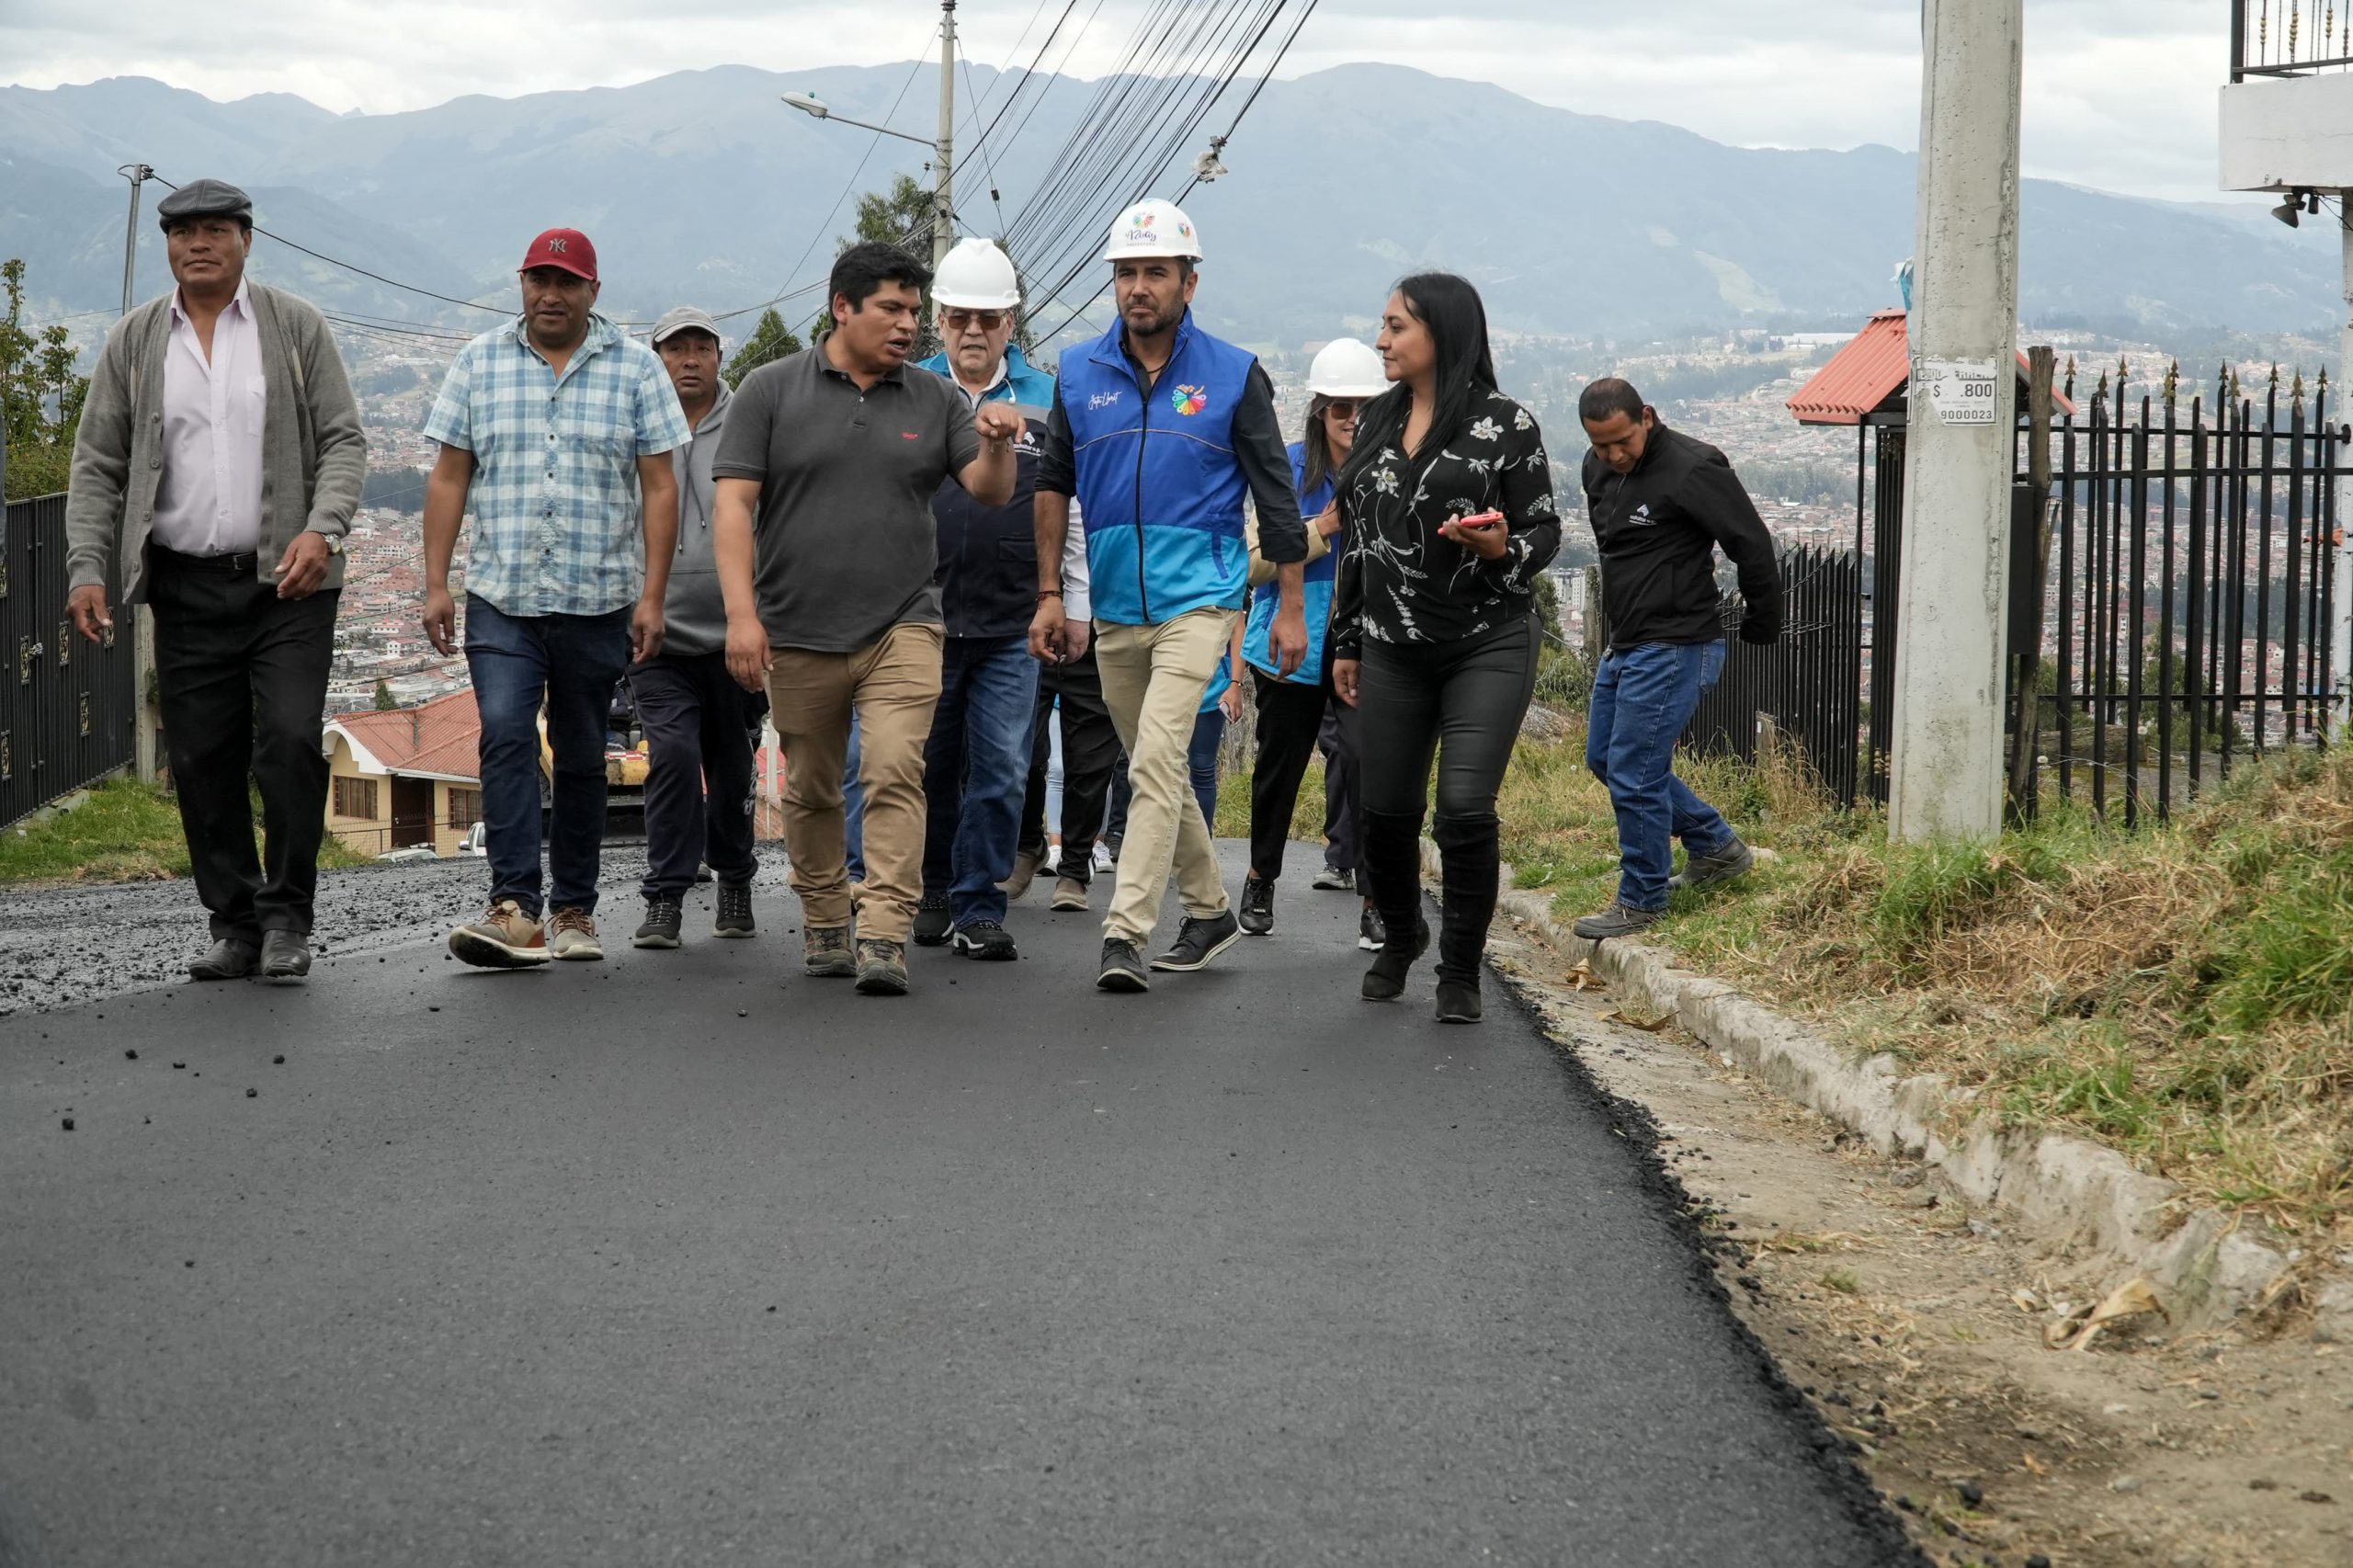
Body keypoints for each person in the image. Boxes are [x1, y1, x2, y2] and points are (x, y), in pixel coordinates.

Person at [63, 177, 365, 983]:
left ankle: (288, 916)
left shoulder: (293, 326)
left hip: (289, 584)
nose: (198, 243)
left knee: (291, 740)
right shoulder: (136, 340)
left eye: (215, 230)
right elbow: (96, 464)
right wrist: (88, 567)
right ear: (167, 245)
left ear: (246, 241)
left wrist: (323, 528)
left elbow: (343, 439)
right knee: (202, 760)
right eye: (183, 231)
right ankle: (235, 923)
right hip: (186, 586)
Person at [713, 242, 1021, 997]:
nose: (910, 324)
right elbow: (733, 507)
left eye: (915, 311)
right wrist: (742, 617)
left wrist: (998, 445)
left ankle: (884, 932)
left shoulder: (935, 399)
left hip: (905, 622)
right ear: (842, 307)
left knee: (891, 770)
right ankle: (826, 919)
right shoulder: (769, 390)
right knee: (814, 787)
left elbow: (988, 491)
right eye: (893, 308)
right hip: (798, 629)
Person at [1031, 199, 1311, 994]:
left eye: (1156, 272)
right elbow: (1053, 485)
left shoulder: (1234, 373)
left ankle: (1125, 931)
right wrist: (1050, 593)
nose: (1138, 287)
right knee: (1157, 768)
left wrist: (1290, 608)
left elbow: (1277, 499)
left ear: (1190, 283)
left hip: (1202, 602)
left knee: (1155, 758)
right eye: (1126, 272)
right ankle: (1212, 910)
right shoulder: (1078, 373)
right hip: (1115, 609)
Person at [422, 227, 688, 969]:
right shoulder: (479, 362)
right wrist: (435, 582)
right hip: (502, 596)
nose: (550, 293)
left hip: (597, 599)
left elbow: (660, 487)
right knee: (507, 734)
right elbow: (449, 475)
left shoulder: (636, 368)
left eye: (566, 282)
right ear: (522, 284)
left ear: (592, 291)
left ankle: (574, 908)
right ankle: (513, 907)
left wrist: (653, 595)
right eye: (538, 279)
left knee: (579, 755)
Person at [1330, 273, 1561, 1025]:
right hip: (1391, 647)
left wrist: (1502, 549)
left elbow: (1544, 529)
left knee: (1463, 808)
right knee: (1385, 811)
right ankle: (1403, 936)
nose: (1381, 339)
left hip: (1485, 641)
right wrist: (1347, 640)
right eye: (1383, 324)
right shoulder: (1376, 419)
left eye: (1396, 326)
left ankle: (1460, 968)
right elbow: (1358, 542)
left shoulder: (1506, 423)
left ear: (1443, 332)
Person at [1571, 376, 1780, 940]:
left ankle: (1642, 898)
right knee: (1606, 760)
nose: (1614, 455)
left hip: (1679, 642)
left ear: (1647, 416)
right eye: (1601, 445)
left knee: (1635, 773)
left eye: (1623, 441)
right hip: (1628, 640)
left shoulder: (1693, 467)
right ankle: (1715, 845)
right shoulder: (1597, 469)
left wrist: (1763, 620)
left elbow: (1750, 542)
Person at [905, 239, 1059, 960]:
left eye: (988, 318)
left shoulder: (1047, 398)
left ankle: (979, 905)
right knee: (928, 768)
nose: (973, 330)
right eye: (959, 316)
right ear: (938, 319)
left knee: (1001, 769)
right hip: (921, 619)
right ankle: (932, 889)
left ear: (1010, 324)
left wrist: (1066, 601)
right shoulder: (909, 390)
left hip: (1012, 622)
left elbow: (1067, 506)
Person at [1236, 336, 1387, 948]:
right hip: (1291, 641)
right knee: (1281, 765)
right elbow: (1251, 564)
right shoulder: (1290, 468)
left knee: (1368, 764)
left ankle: (1376, 898)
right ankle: (1259, 879)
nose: (1353, 419)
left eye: (1364, 407)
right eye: (1341, 408)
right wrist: (1322, 529)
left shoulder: (1395, 469)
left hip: (1369, 644)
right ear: (1320, 411)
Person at [627, 305, 758, 949]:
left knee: (731, 770)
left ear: (718, 357)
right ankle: (665, 897)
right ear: (658, 360)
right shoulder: (636, 427)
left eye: (701, 348)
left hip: (735, 636)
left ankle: (734, 876)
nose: (689, 360)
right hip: (659, 637)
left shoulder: (748, 424)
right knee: (673, 758)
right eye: (675, 349)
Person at [1006, 523, 1114, 914]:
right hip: (1028, 615)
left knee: (1090, 756)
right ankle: (1027, 843)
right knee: (1019, 745)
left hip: (1103, 615)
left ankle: (1074, 867)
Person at [1187, 617, 1246, 831]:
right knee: (1162, 768)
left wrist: (1236, 684)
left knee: (1202, 767)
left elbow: (1238, 628)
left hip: (1213, 684)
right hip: (1166, 680)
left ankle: (1202, 842)